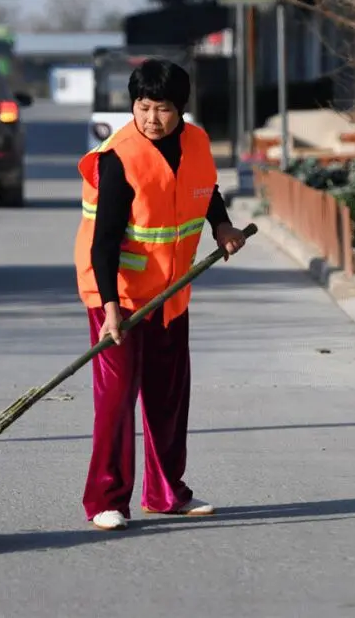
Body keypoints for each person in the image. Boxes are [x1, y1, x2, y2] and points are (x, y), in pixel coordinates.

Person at [73, 58, 246, 531]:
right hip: (118, 294)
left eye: (162, 109)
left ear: (181, 110)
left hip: (170, 292)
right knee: (117, 396)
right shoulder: (117, 158)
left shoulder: (197, 143)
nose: (151, 118)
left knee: (168, 396)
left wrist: (222, 226)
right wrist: (109, 310)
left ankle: (167, 492)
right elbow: (103, 243)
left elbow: (203, 188)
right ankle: (106, 498)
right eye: (143, 107)